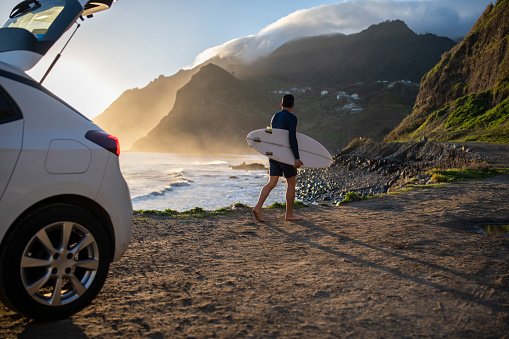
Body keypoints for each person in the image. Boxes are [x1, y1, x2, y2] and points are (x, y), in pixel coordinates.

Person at [252, 94, 304, 222]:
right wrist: (296, 158)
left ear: (281, 105)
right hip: (285, 155)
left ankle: (258, 207)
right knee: (291, 183)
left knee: (272, 182)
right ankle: (289, 214)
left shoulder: (275, 116)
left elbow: (272, 136)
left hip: (274, 154)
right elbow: (291, 137)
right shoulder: (292, 118)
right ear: (293, 106)